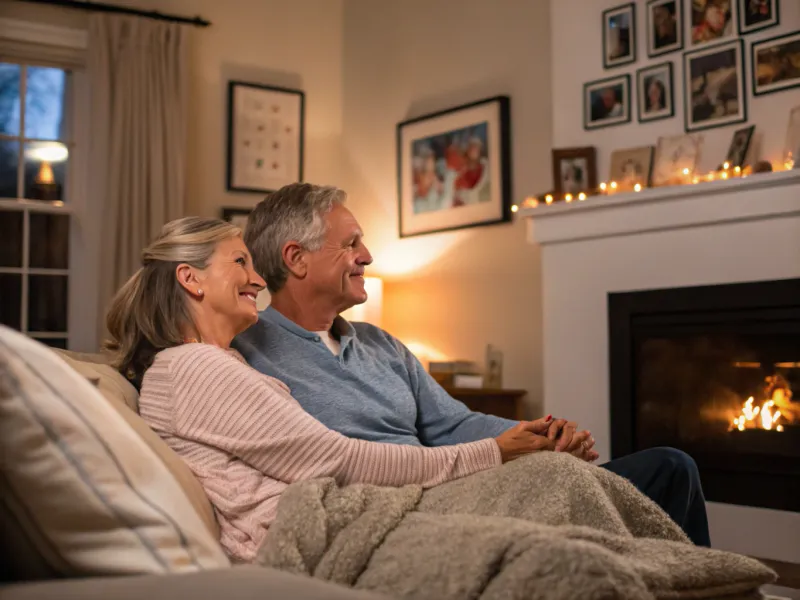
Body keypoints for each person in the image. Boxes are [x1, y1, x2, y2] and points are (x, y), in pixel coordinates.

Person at [234, 182, 711, 547]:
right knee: (594, 487)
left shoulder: (381, 344)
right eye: (352, 243)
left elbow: (453, 423)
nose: (368, 256)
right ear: (296, 258)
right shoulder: (249, 355)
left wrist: (539, 433)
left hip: (470, 479)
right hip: (411, 508)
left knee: (672, 467)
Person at [104, 216, 576, 563]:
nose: (258, 279)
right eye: (240, 262)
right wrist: (492, 453)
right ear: (190, 278)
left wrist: (521, 441)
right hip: (314, 534)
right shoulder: (192, 368)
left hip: (343, 515)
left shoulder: (218, 362)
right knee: (558, 493)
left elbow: (443, 424)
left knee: (564, 484)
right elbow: (336, 460)